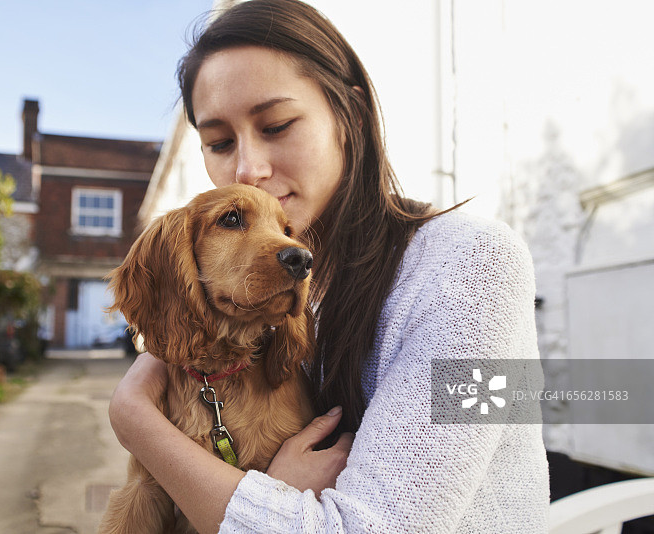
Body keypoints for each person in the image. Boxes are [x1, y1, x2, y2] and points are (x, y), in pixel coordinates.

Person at [108, 0, 549, 532]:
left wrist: (135, 420)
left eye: (277, 125)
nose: (248, 169)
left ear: (351, 116)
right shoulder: (287, 289)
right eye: (220, 143)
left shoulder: (478, 266)